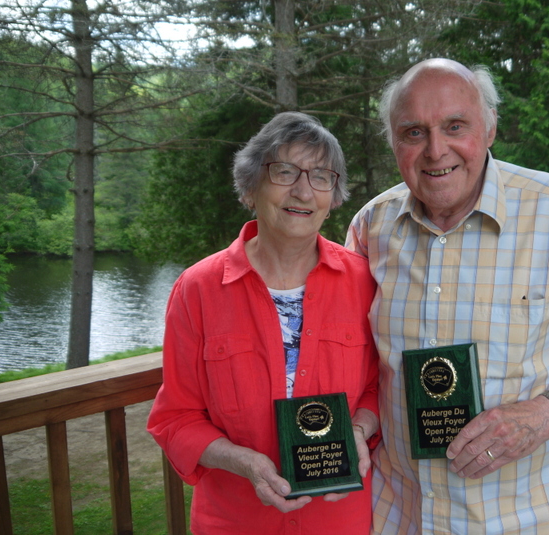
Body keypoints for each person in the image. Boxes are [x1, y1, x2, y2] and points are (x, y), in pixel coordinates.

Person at [345, 58, 549, 534]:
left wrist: (546, 412)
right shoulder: (372, 226)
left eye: (454, 126)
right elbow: (351, 353)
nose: (435, 149)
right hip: (404, 515)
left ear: (488, 130)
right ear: (393, 142)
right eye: (413, 132)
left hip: (533, 517)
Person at [148, 111, 380, 535]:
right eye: (285, 171)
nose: (303, 191)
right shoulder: (197, 289)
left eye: (321, 176)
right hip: (234, 521)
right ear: (251, 186)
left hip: (340, 520)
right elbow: (175, 418)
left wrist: (360, 433)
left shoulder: (365, 283)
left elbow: (379, 386)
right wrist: (243, 462)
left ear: (333, 196)